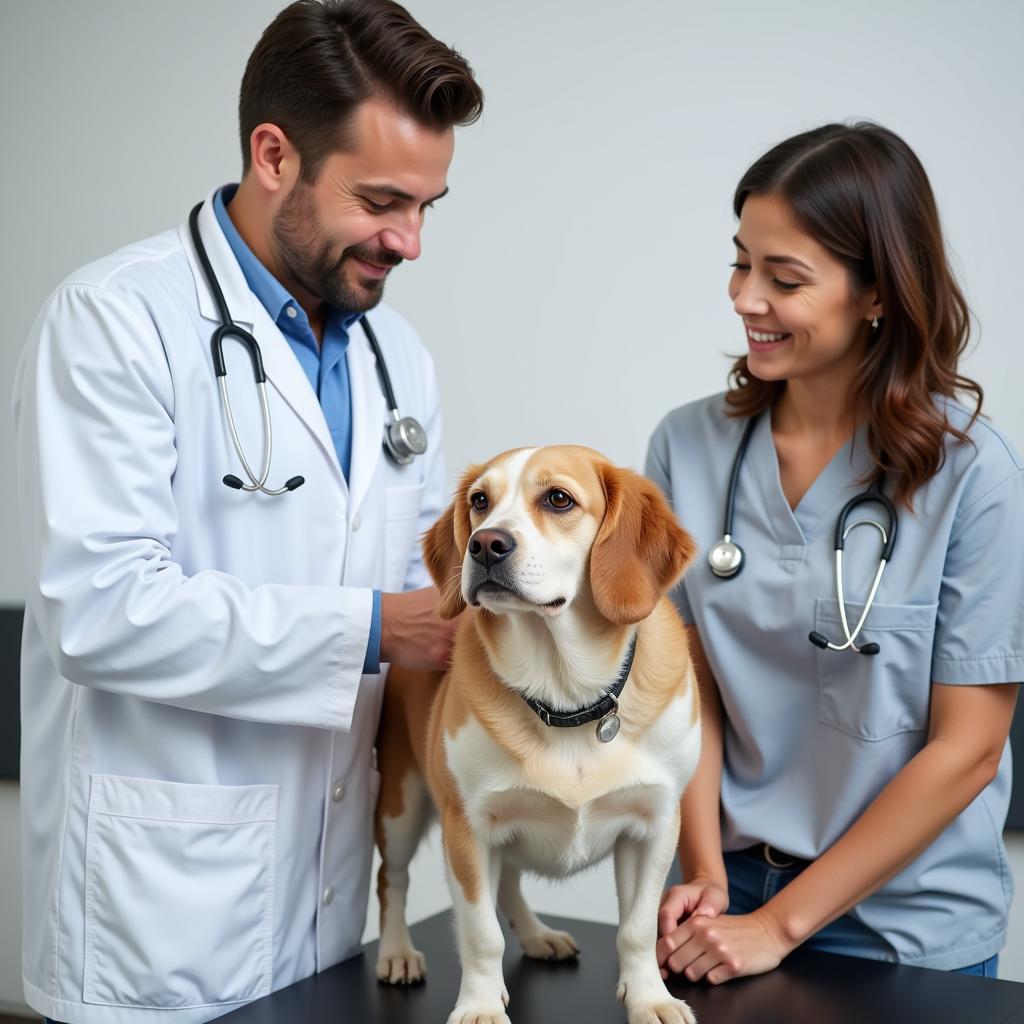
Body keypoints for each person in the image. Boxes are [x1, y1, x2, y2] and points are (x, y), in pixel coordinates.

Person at [11, 2, 482, 1021]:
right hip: (156, 905)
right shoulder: (118, 321)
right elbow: (102, 609)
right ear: (274, 155)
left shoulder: (397, 359)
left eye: (428, 206)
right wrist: (371, 628)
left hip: (326, 908)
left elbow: (429, 583)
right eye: (383, 201)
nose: (409, 240)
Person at [647, 122, 1023, 984]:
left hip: (901, 921)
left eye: (785, 279)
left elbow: (968, 748)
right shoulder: (687, 446)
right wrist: (705, 875)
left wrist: (781, 925)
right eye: (742, 262)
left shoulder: (977, 476)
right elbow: (685, 683)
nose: (746, 298)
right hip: (726, 892)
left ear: (878, 294)